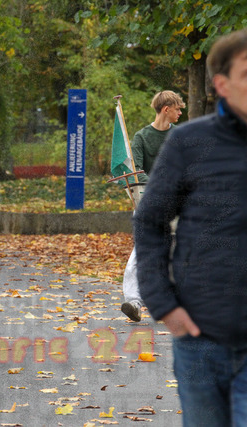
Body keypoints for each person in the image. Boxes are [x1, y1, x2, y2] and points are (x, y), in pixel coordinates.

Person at [135, 29, 247, 426]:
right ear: (223, 85)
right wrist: (164, 305)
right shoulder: (189, 142)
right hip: (202, 339)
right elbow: (150, 221)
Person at [120, 90, 185, 322]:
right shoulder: (141, 137)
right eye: (177, 109)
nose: (180, 113)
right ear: (166, 109)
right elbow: (136, 171)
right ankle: (133, 302)